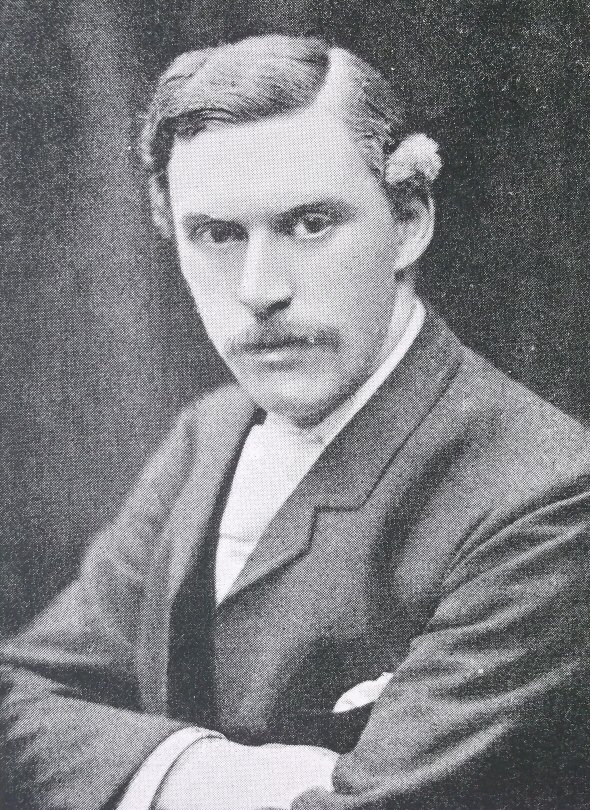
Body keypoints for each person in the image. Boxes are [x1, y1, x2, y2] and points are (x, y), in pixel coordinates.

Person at [1, 33, 590, 810]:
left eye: (310, 223)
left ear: (408, 221)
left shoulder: (548, 497)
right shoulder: (209, 434)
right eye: (218, 235)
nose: (259, 289)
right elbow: (18, 698)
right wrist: (212, 775)